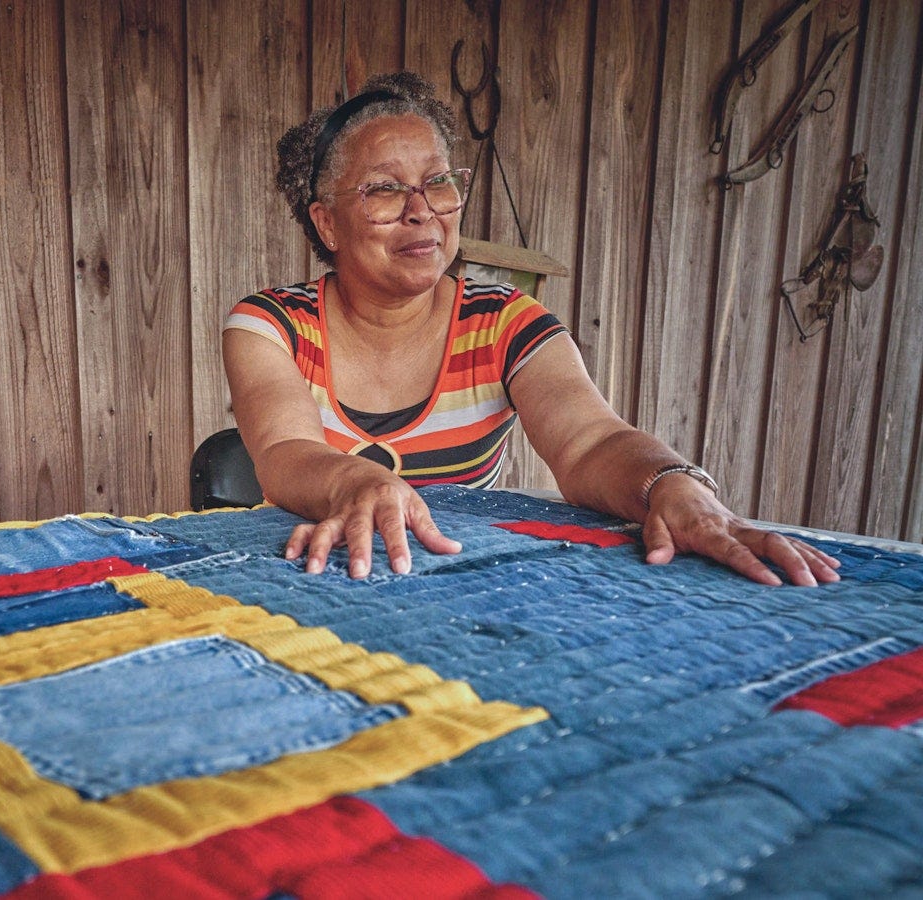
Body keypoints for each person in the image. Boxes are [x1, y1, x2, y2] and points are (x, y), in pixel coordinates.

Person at [222, 71, 841, 587]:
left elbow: (590, 443)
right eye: (384, 190)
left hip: (462, 581)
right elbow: (284, 454)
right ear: (328, 225)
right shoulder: (269, 325)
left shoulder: (504, 321)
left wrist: (671, 485)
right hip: (316, 574)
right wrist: (358, 478)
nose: (422, 210)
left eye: (438, 182)